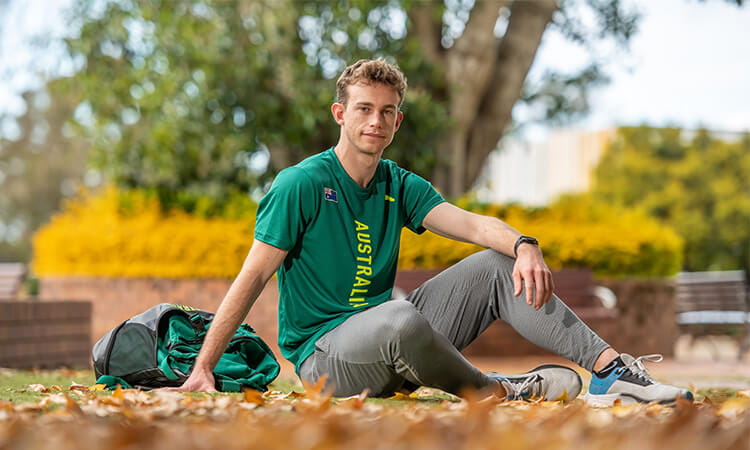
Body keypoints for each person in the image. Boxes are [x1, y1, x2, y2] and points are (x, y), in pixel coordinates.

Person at [173, 58, 692, 405]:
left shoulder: (399, 184)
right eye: (364, 109)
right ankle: (496, 391)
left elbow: (469, 224)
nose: (375, 121)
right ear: (341, 115)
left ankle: (612, 375)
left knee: (494, 265)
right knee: (398, 314)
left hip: (393, 337)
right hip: (326, 361)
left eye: (387, 112)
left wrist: (524, 245)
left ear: (397, 122)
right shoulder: (301, 184)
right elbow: (251, 277)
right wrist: (203, 368)